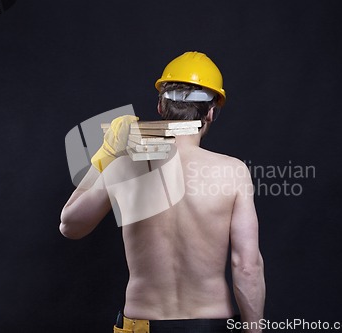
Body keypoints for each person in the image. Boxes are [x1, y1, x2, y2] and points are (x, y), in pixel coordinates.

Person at [60, 51, 265, 333]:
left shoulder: (124, 167)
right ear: (210, 113)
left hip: (141, 325)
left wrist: (106, 155)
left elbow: (70, 225)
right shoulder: (233, 172)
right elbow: (247, 266)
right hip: (210, 324)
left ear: (160, 107)